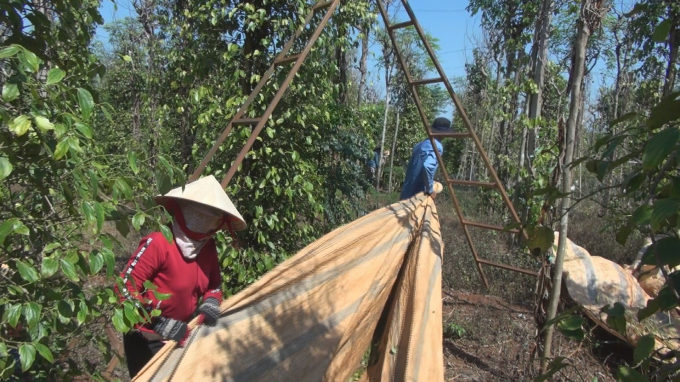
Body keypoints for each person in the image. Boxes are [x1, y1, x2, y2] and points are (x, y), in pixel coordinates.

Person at [115, 175, 246, 378]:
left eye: (212, 216)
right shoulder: (158, 242)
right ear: (184, 208)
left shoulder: (208, 247)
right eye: (200, 214)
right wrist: (157, 322)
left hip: (182, 333)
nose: (204, 221)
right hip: (146, 337)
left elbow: (214, 286)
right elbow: (124, 286)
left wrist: (211, 303)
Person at [400, 117, 454, 200]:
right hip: (418, 194)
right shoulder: (437, 146)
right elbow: (428, 166)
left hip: (407, 191)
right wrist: (430, 190)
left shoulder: (421, 144)